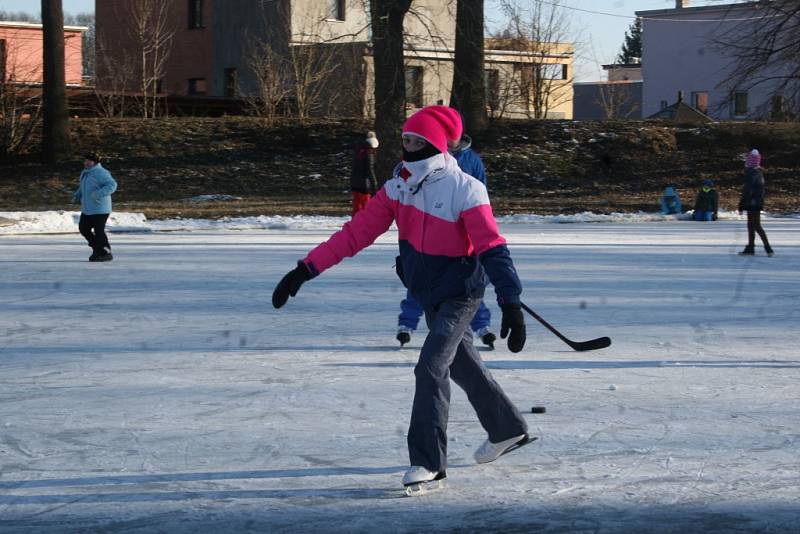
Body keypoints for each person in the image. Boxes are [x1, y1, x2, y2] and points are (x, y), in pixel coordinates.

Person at [272, 106, 530, 489]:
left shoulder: (465, 190)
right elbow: (354, 234)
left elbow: (492, 247)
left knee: (430, 367)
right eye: (405, 139)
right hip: (428, 293)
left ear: (433, 144)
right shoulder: (398, 187)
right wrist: (305, 269)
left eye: (414, 140)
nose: (405, 146)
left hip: (461, 294)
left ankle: (429, 462)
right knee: (462, 365)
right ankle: (506, 427)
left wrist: (510, 301)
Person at [396, 132, 495, 350]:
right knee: (422, 281)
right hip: (429, 228)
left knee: (468, 285)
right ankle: (407, 323)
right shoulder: (429, 157)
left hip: (462, 232)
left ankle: (482, 326)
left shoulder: (472, 159)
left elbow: (481, 193)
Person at [72, 153, 118, 262]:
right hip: (88, 208)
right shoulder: (85, 173)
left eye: (89, 161)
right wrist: (77, 194)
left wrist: (98, 194)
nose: (86, 163)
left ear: (95, 163)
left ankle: (105, 252)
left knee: (99, 231)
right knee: (83, 228)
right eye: (85, 160)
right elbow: (84, 187)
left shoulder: (101, 172)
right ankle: (98, 249)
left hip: (100, 208)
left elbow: (112, 185)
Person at [738, 149, 774, 256]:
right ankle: (750, 247)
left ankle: (768, 248)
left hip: (752, 202)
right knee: (751, 225)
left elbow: (748, 190)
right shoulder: (758, 172)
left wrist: (742, 203)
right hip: (756, 202)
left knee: (756, 225)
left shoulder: (752, 173)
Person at [350, 131, 378, 217]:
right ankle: (363, 223)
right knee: (365, 205)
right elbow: (370, 170)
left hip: (354, 182)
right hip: (364, 184)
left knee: (357, 204)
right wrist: (374, 184)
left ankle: (355, 222)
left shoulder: (358, 151)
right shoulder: (369, 154)